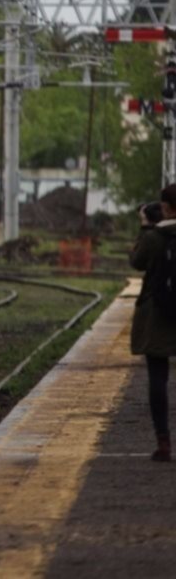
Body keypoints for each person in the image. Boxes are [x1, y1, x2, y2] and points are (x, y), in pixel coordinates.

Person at [130, 185, 176, 461]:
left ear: (166, 208)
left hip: (157, 315)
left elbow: (137, 262)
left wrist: (146, 226)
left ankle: (164, 443)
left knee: (157, 378)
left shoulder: (154, 238)